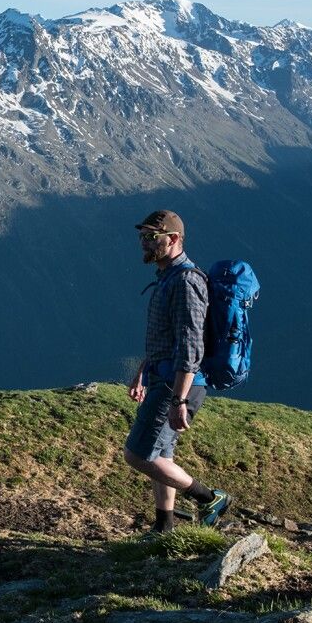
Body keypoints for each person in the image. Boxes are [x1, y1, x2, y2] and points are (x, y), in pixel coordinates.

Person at [124, 210, 231, 532]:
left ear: (173, 239)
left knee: (138, 455)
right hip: (164, 377)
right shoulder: (168, 277)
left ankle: (209, 498)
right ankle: (164, 528)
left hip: (178, 383)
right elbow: (166, 337)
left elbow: (190, 345)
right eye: (141, 236)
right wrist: (143, 371)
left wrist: (179, 399)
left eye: (151, 237)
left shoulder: (186, 282)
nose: (143, 242)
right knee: (162, 456)